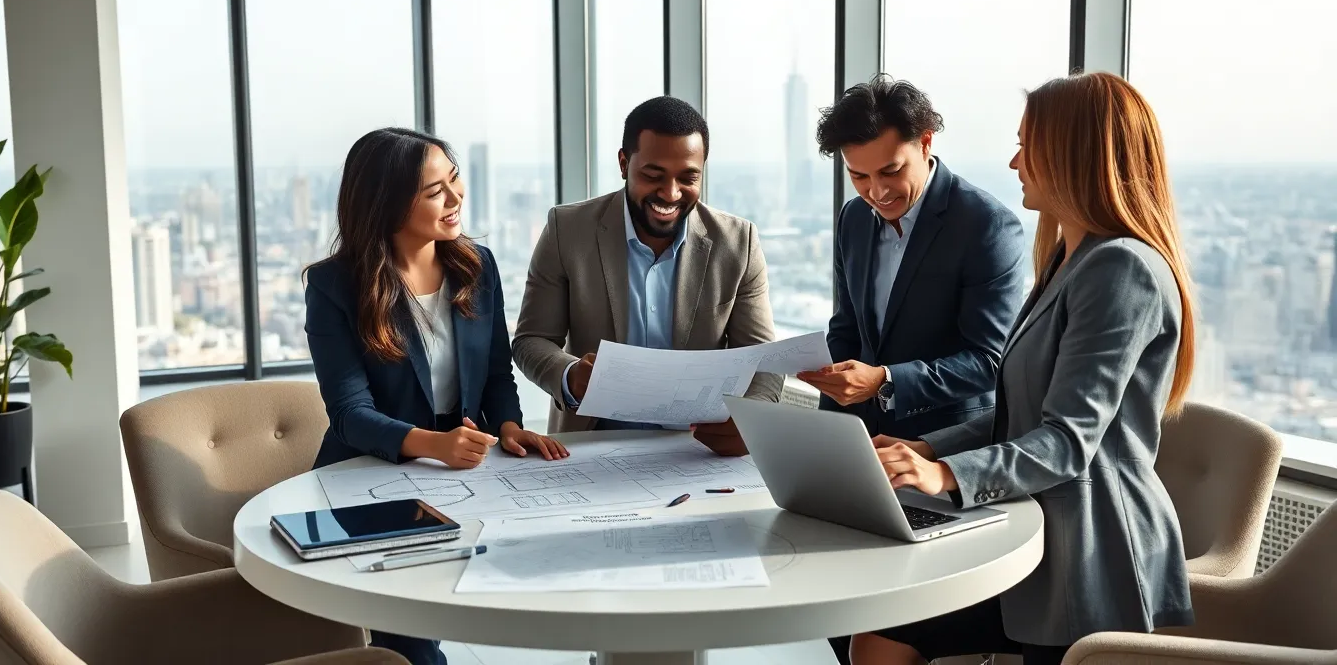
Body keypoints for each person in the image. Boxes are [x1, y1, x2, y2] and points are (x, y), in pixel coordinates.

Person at [851, 72, 1197, 665]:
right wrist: (924, 450)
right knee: (880, 634)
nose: (1014, 163)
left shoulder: (1121, 269)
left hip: (1090, 554)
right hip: (1038, 530)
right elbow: (1020, 410)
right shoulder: (1069, 258)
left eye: (1027, 147)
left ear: (1072, 155)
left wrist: (945, 475)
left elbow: (1066, 441)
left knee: (887, 631)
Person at [304, 127, 565, 665]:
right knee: (412, 642)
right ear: (388, 203)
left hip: (461, 471)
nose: (456, 197)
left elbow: (496, 372)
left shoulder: (477, 265)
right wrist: (434, 444)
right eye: (434, 191)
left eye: (455, 178)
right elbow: (350, 414)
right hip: (367, 475)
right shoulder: (335, 286)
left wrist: (509, 426)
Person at [512, 96, 782, 455]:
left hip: (697, 450)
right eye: (653, 176)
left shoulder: (737, 242)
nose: (670, 193)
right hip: (589, 446)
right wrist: (570, 375)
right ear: (624, 163)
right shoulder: (567, 229)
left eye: (688, 178)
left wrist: (753, 420)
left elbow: (763, 359)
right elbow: (531, 340)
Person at [798, 75, 1026, 442]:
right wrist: (825, 436)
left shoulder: (987, 225)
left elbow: (990, 361)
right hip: (858, 441)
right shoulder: (853, 218)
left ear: (925, 142)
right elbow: (847, 330)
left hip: (944, 446)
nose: (877, 192)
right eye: (858, 176)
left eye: (891, 171)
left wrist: (886, 381)